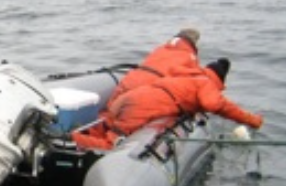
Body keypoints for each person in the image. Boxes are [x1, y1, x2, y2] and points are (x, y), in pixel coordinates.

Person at [72, 58, 264, 151]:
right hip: (141, 108)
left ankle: (74, 135)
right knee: (112, 142)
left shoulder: (184, 75)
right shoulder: (206, 83)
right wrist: (252, 120)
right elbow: (213, 104)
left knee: (105, 126)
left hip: (132, 97)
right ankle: (73, 140)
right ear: (220, 79)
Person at [107, 28, 202, 109]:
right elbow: (191, 82)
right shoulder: (190, 57)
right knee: (132, 114)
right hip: (149, 86)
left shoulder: (161, 48)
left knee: (109, 112)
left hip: (131, 79)